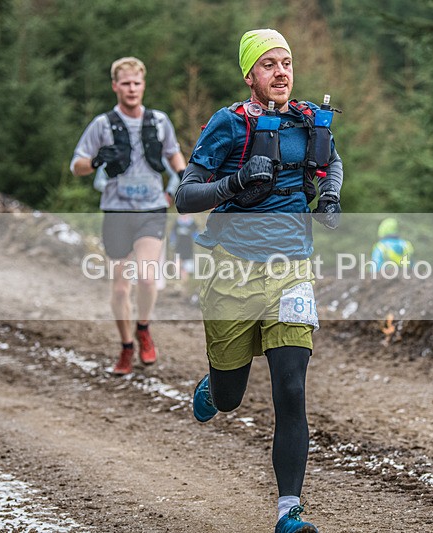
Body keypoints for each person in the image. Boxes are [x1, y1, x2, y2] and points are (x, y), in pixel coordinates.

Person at [176, 29, 343, 533]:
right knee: (230, 397)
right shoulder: (229, 124)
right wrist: (235, 182)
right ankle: (216, 386)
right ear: (250, 75)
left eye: (286, 62)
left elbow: (330, 159)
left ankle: (289, 510)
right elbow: (185, 196)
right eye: (268, 64)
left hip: (292, 269)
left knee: (291, 388)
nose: (281, 72)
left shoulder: (307, 119)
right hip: (231, 270)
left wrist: (330, 197)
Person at [71, 56, 187, 376]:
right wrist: (96, 161)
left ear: (143, 85)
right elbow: (76, 166)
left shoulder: (159, 121)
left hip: (152, 209)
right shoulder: (102, 125)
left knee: (147, 277)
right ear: (115, 86)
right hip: (117, 211)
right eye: (126, 83)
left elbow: (173, 153)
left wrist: (184, 176)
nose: (132, 88)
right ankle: (125, 347)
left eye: (137, 83)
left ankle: (144, 328)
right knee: (121, 288)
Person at [169, 213, 198, 282]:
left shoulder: (192, 224)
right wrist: (172, 243)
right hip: (179, 248)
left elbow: (196, 234)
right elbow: (173, 234)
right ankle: (178, 281)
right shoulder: (177, 224)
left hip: (188, 249)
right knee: (177, 265)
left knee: (187, 268)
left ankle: (185, 282)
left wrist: (196, 239)